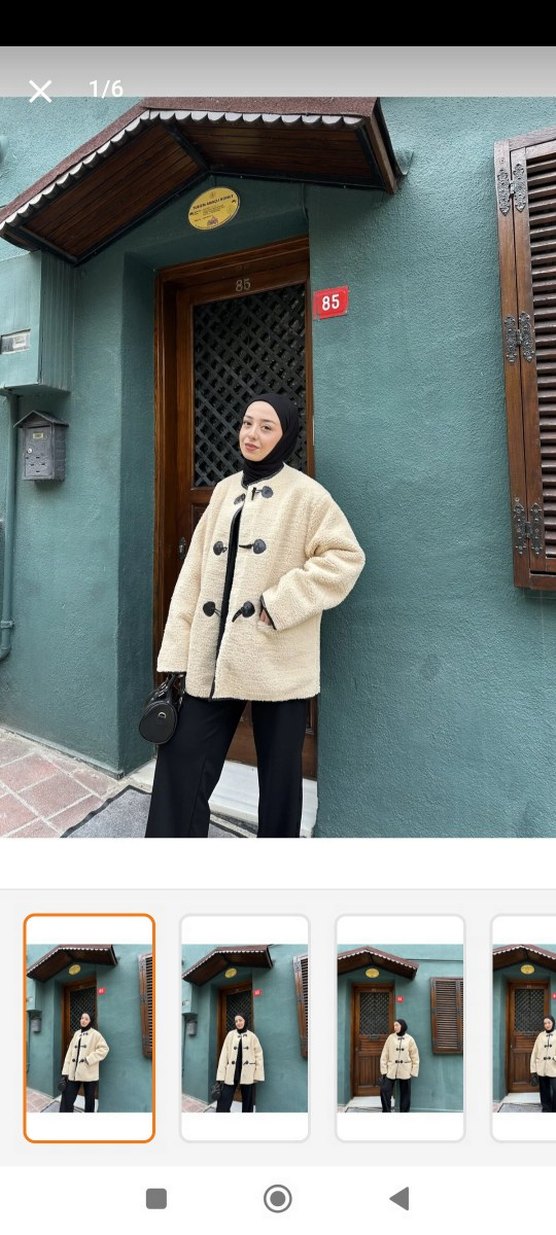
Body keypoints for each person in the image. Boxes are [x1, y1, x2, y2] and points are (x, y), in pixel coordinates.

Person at [145, 391, 365, 839]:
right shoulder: (224, 491)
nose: (252, 434)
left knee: (280, 783)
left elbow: (345, 558)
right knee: (181, 763)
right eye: (247, 423)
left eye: (267, 427)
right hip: (212, 659)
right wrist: (178, 652)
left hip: (276, 658)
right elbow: (193, 575)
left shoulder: (307, 496)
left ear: (285, 436)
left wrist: (278, 603)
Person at [59, 1011, 109, 1113]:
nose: (83, 1020)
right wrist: (65, 1072)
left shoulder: (95, 1034)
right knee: (67, 1098)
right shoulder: (76, 1034)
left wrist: (88, 1059)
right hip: (73, 1073)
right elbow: (69, 1053)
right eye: (82, 1018)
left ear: (90, 1021)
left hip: (89, 1073)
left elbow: (104, 1049)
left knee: (89, 1101)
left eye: (86, 1019)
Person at [215, 1013, 264, 1112]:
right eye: (236, 1021)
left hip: (248, 1073)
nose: (238, 1023)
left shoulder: (252, 1037)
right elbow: (224, 1055)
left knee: (248, 1102)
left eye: (240, 1020)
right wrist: (221, 1075)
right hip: (231, 1072)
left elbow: (259, 1056)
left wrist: (257, 1075)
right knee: (224, 1100)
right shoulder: (230, 1035)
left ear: (245, 1021)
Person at [379, 1018, 419, 1112]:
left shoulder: (410, 1039)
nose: (395, 1027)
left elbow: (415, 1056)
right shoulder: (390, 1038)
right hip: (391, 1069)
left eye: (397, 1025)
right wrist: (384, 1070)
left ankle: (404, 1113)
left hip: (405, 1070)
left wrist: (413, 1071)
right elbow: (384, 1054)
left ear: (402, 1026)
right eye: (394, 1025)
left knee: (405, 1094)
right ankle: (386, 1112)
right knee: (384, 1090)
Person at [530, 1014, 556, 1111]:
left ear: (553, 1023)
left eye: (549, 1022)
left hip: (554, 1068)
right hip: (541, 1068)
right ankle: (546, 1109)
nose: (547, 1025)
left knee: (555, 1090)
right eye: (545, 1023)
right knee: (544, 1091)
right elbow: (534, 1052)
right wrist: (533, 1071)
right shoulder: (540, 1036)